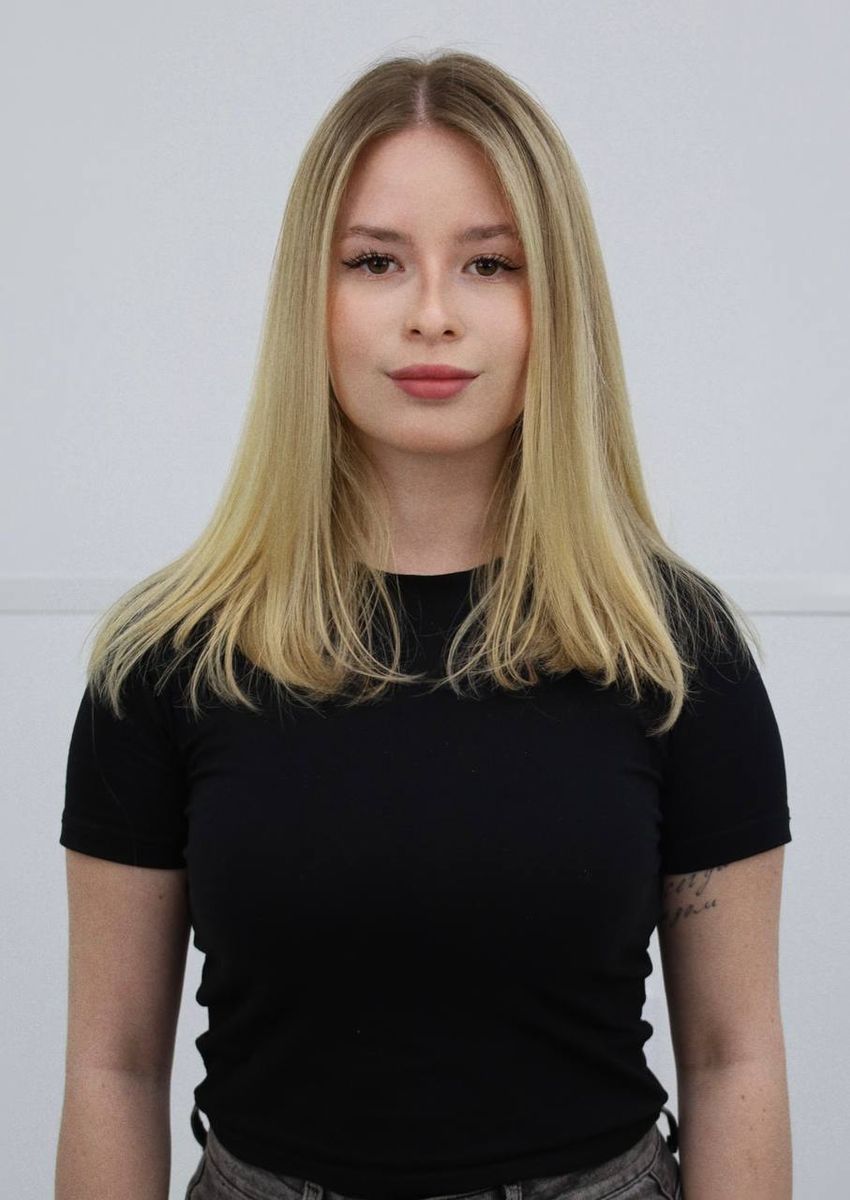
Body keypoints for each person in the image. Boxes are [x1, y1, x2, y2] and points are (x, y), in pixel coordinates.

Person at [55, 49, 792, 1200]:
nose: (433, 315)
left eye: (489, 262)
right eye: (376, 262)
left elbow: (732, 1053)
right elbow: (112, 1066)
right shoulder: (165, 661)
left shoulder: (673, 652)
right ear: (310, 296)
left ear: (556, 301)